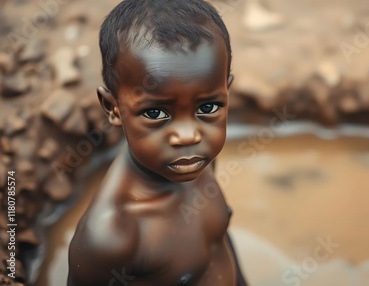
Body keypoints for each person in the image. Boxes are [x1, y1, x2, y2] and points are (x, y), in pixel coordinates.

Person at [67, 0, 247, 285]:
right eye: (155, 113)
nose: (189, 136)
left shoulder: (197, 162)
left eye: (209, 108)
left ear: (227, 91)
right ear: (113, 108)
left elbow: (220, 244)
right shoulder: (113, 236)